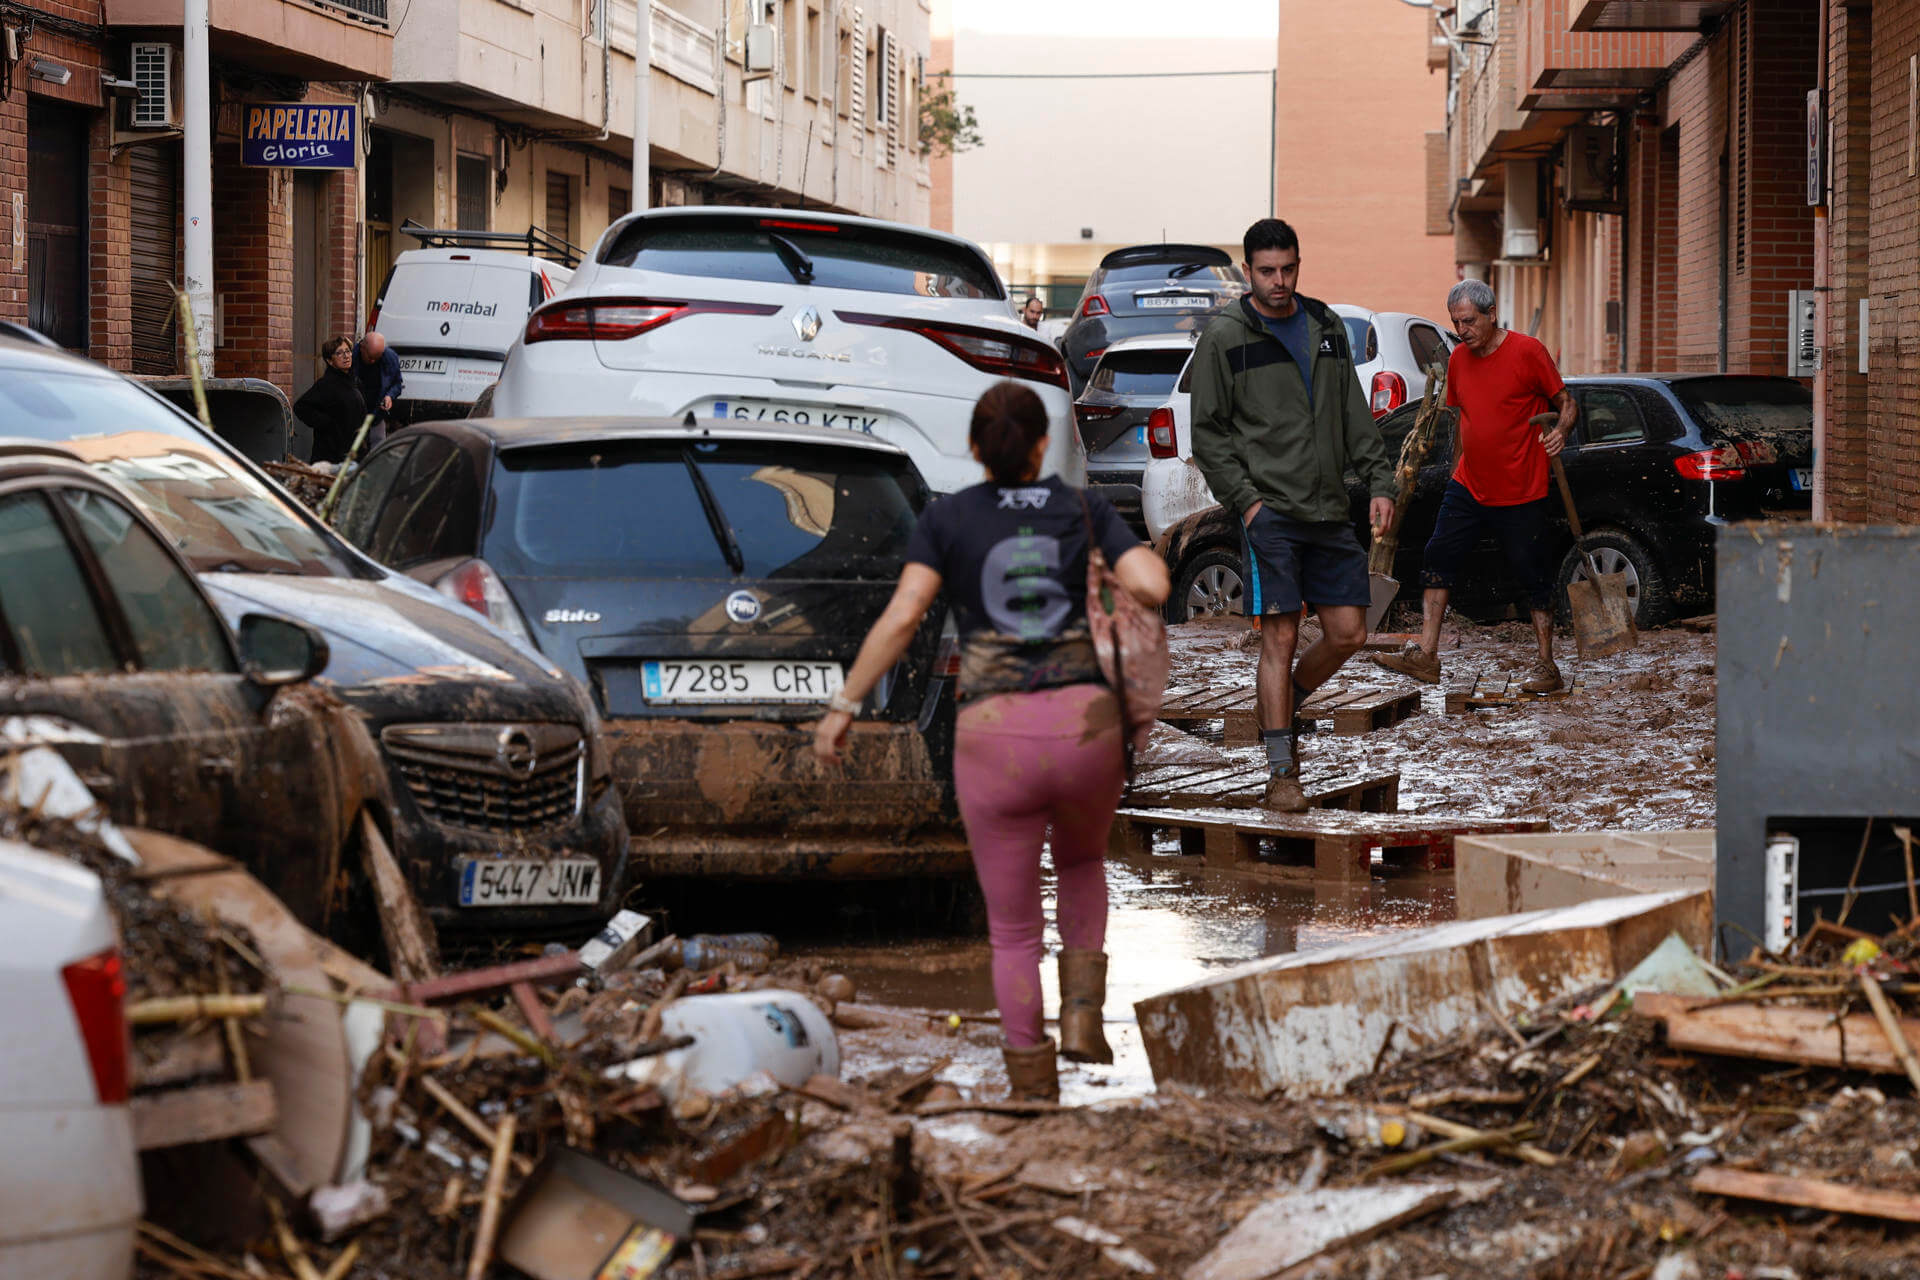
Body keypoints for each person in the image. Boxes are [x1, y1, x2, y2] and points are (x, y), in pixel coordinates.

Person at [813, 381, 1169, 1101]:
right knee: (1080, 865)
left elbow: (905, 616)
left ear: (976, 449)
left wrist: (843, 706)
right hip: (1084, 730)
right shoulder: (1082, 507)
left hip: (993, 736)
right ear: (1042, 447)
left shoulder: (948, 517)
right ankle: (1079, 1014)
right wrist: (1105, 571)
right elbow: (1155, 585)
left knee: (1010, 929)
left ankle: (1031, 1082)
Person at [1189, 218, 1395, 812]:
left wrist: (1378, 480)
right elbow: (1208, 434)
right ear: (1248, 271)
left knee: (1349, 633)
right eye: (1267, 271)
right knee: (1279, 636)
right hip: (1268, 511)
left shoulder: (1327, 327)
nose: (1279, 282)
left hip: (1328, 507)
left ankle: (1283, 702)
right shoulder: (1226, 337)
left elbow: (1354, 413)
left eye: (1289, 269)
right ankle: (1283, 772)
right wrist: (1247, 503)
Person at [1372, 279, 1579, 693]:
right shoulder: (1459, 361)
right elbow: (1461, 422)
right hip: (1469, 484)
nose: (1462, 329)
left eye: (1469, 320)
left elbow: (1567, 403)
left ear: (1491, 314)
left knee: (1533, 574)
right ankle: (1428, 655)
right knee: (1437, 554)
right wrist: (1454, 472)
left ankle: (1547, 667)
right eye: (1456, 322)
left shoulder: (1528, 351)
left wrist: (1561, 429)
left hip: (1522, 486)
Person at [294, 337, 368, 465]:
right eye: (339, 353)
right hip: (332, 456)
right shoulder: (326, 384)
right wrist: (327, 424)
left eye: (348, 351)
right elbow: (301, 407)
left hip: (353, 453)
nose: (346, 356)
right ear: (330, 361)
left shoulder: (354, 381)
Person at [354, 331, 405, 443]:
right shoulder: (352, 357)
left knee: (378, 445)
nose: (372, 361)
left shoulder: (390, 357)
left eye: (377, 358)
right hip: (354, 413)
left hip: (377, 413)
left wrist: (389, 396)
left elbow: (397, 384)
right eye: (370, 357)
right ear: (362, 347)